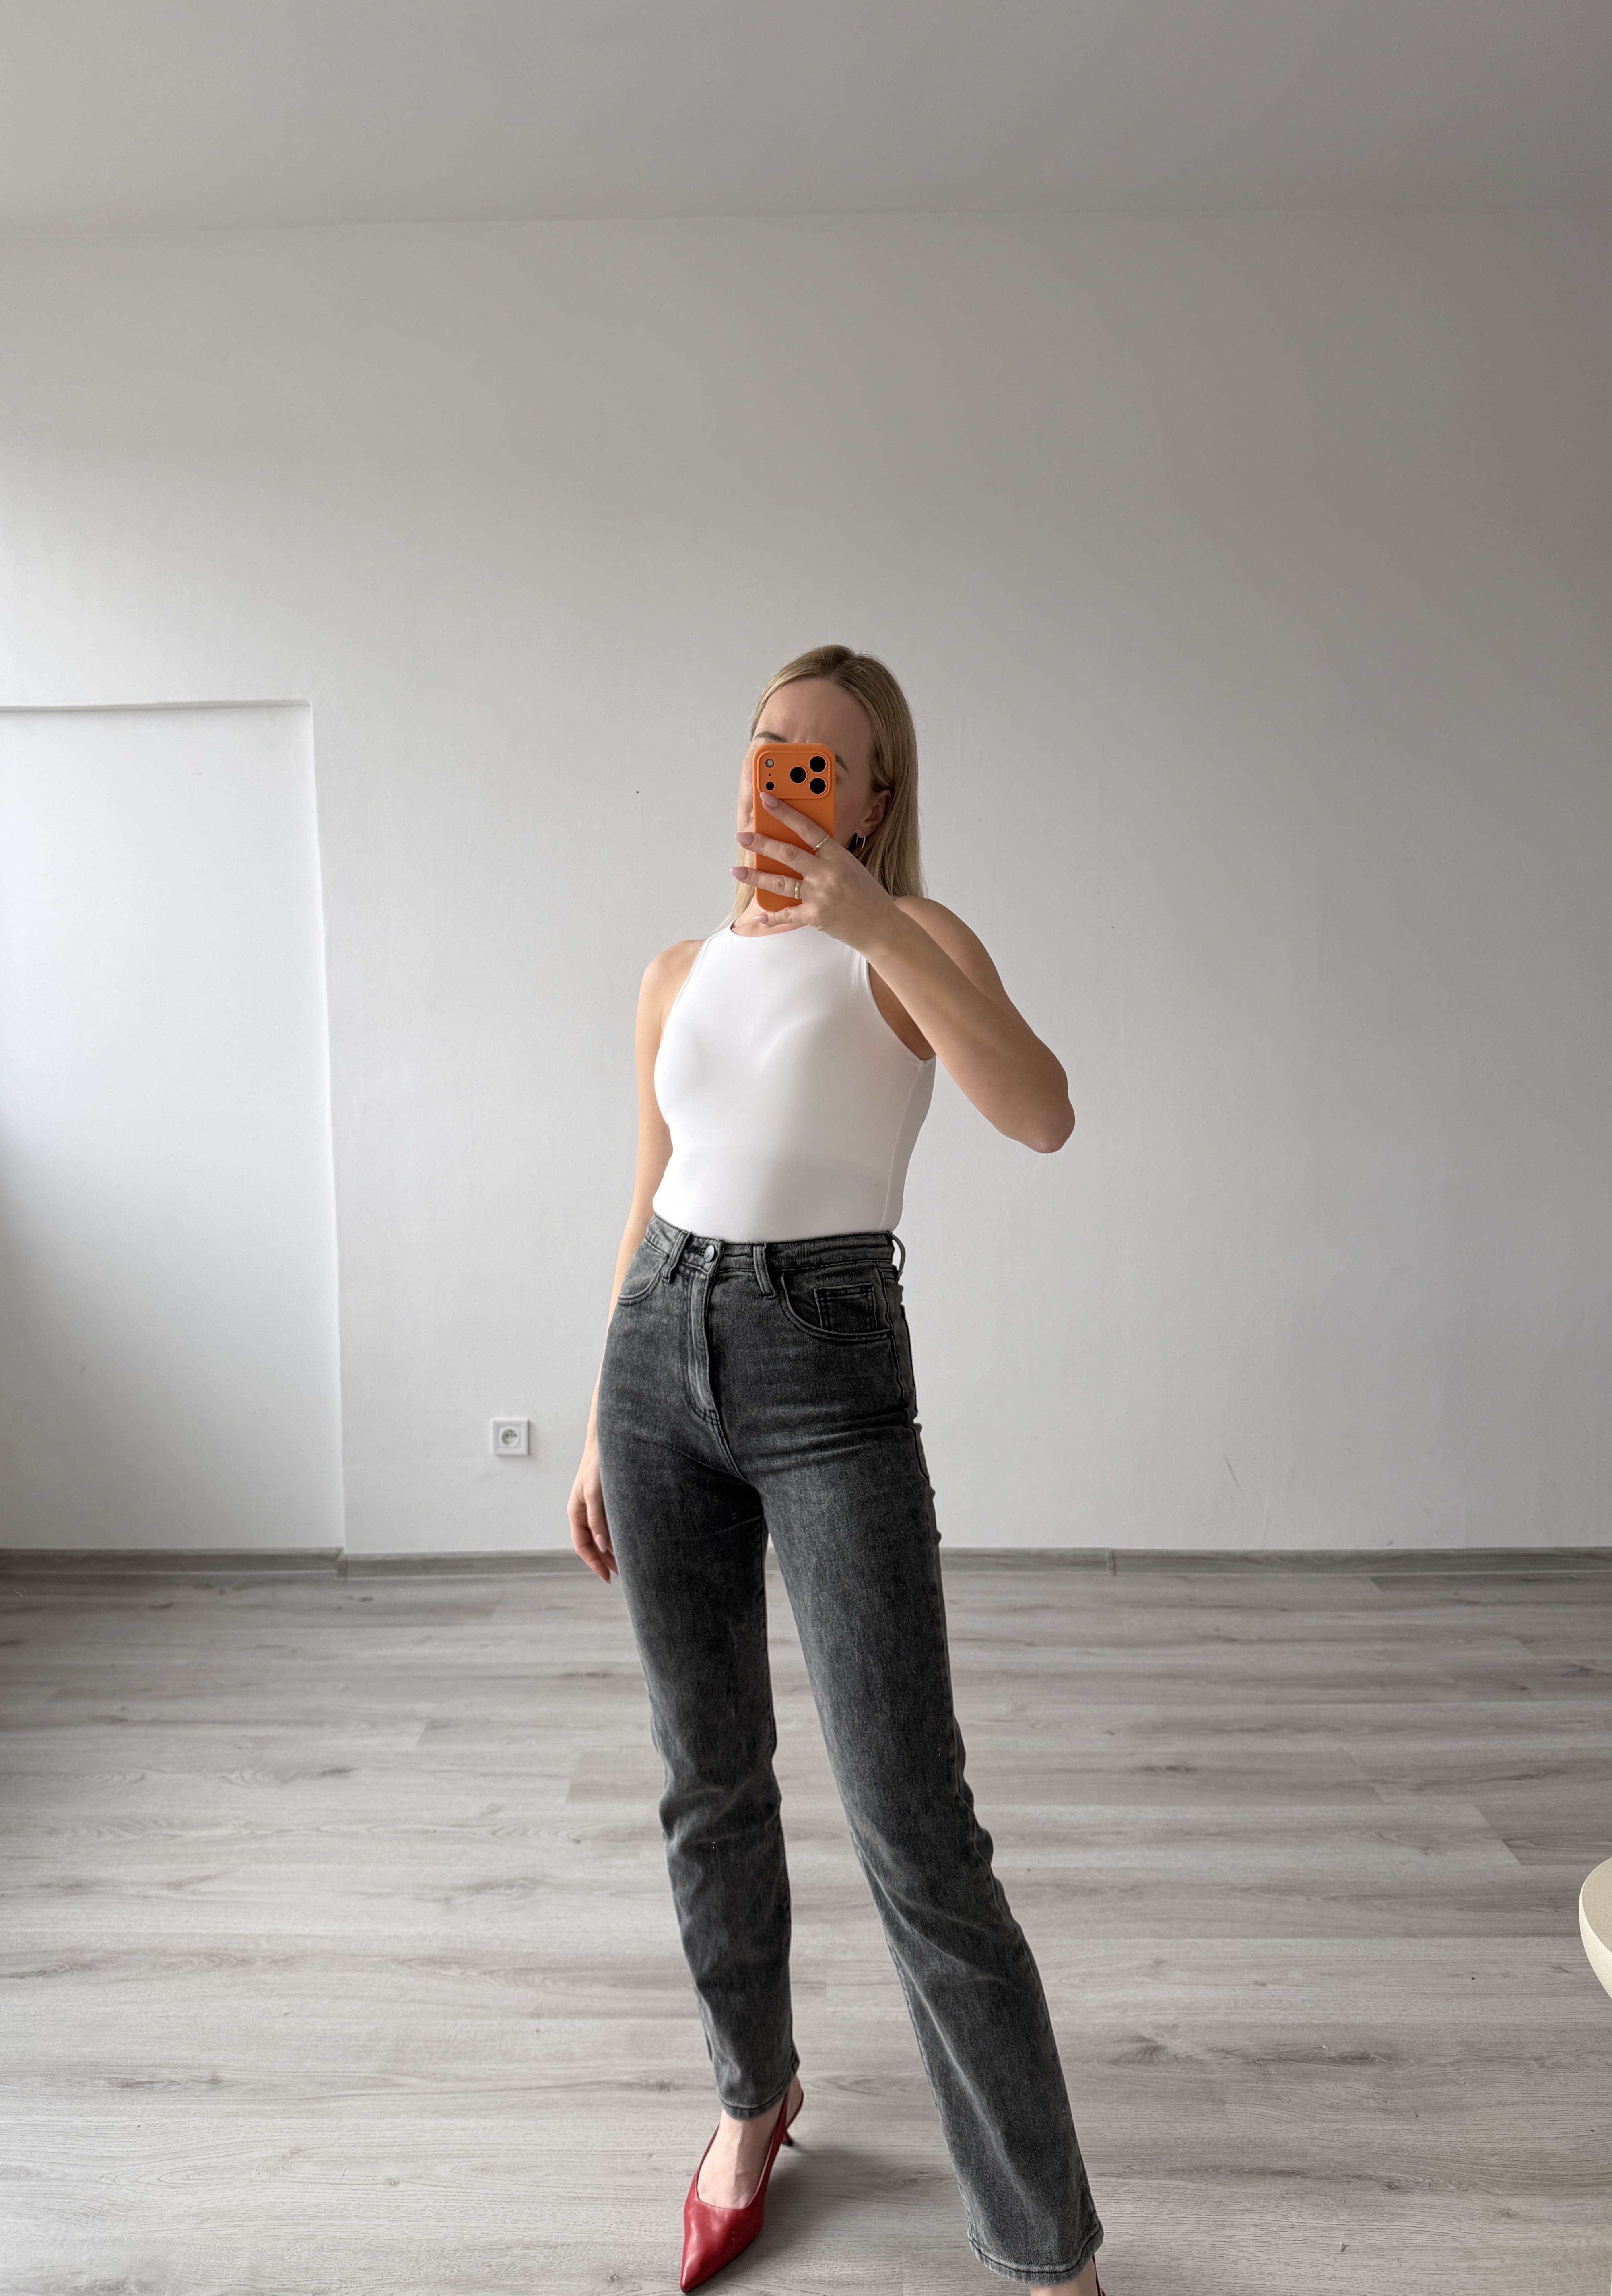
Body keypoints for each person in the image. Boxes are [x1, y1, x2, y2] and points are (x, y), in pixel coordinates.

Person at [567, 645, 1104, 2294]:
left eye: (826, 756)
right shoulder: (676, 972)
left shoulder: (913, 941)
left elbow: (1043, 1111)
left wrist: (872, 921)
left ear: (872, 796)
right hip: (656, 1358)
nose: (787, 769)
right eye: (766, 743)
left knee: (913, 1819)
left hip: (828, 1364)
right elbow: (651, 1191)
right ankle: (753, 2095)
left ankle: (1049, 2250)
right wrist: (595, 1420)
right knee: (704, 1771)